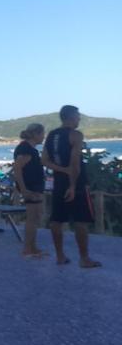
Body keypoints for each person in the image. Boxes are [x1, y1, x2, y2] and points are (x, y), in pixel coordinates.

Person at [42, 105, 101, 268]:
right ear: (70, 117)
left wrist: (62, 170)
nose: (79, 119)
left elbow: (45, 160)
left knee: (57, 220)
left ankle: (60, 256)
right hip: (77, 183)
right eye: (78, 116)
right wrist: (73, 185)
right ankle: (84, 258)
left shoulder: (52, 135)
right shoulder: (75, 135)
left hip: (59, 182)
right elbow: (75, 162)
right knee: (81, 221)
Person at [14, 123, 48, 258]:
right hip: (31, 188)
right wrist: (24, 189)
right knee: (32, 218)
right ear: (35, 134)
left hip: (34, 187)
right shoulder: (26, 149)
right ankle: (28, 248)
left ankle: (32, 247)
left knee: (35, 217)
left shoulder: (29, 149)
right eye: (42, 133)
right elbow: (17, 169)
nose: (43, 137)